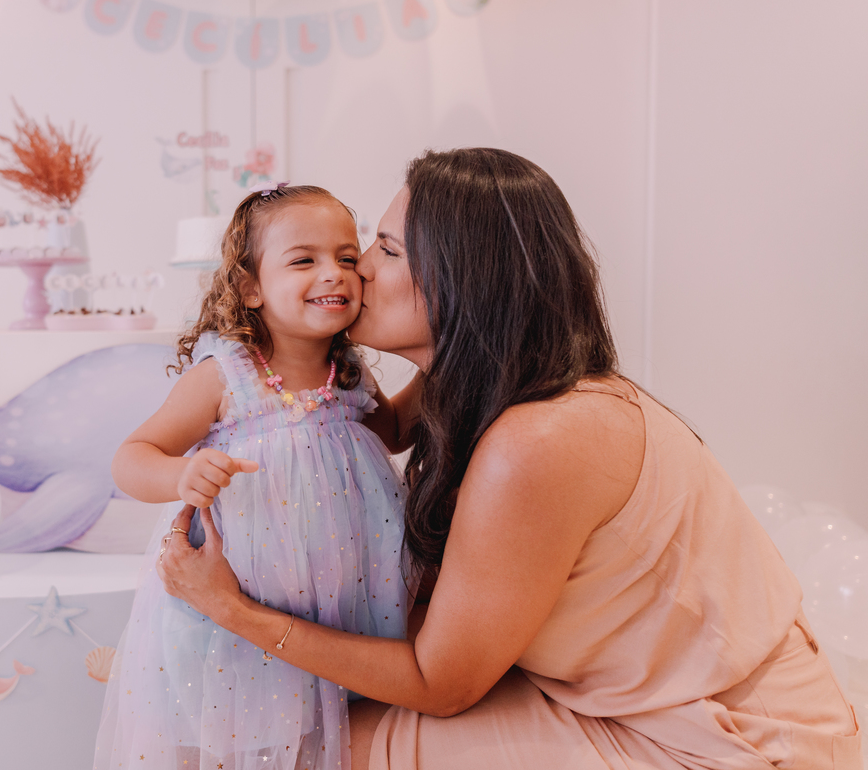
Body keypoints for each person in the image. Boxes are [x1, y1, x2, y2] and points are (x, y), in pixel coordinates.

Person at [157, 148, 862, 769]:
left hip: (722, 741)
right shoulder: (487, 386)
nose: (357, 270)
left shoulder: (538, 440)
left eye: (384, 250)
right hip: (652, 701)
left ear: (465, 284)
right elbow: (345, 436)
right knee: (279, 724)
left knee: (308, 746)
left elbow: (442, 684)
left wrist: (232, 610)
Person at [95, 184, 414, 770]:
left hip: (343, 605)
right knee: (235, 741)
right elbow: (132, 456)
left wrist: (449, 355)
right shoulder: (227, 376)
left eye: (348, 258)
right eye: (304, 260)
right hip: (241, 615)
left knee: (325, 740)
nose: (335, 274)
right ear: (251, 288)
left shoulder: (349, 371)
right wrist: (183, 472)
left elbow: (394, 431)